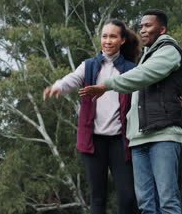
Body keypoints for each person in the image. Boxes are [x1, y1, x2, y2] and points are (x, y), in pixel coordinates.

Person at [79, 9, 182, 214]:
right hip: (138, 138)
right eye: (141, 26)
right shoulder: (144, 57)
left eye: (148, 26)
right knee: (145, 204)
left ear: (162, 29)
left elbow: (143, 76)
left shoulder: (170, 50)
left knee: (167, 201)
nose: (143, 30)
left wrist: (105, 85)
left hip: (162, 134)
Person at [43, 19, 140, 214]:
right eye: (104, 36)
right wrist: (58, 86)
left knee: (128, 197)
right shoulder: (88, 66)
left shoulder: (130, 69)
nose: (107, 41)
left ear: (122, 40)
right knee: (97, 198)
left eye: (113, 36)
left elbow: (144, 91)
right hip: (93, 141)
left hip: (120, 141)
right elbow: (72, 79)